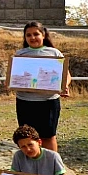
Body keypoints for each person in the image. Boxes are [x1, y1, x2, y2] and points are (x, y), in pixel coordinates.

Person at [14, 22, 71, 152]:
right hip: (24, 102)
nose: (32, 37)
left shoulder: (54, 53)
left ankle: (51, 164)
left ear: (43, 35)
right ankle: (31, 164)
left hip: (48, 102)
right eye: (28, 35)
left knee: (48, 137)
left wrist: (65, 86)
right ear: (25, 37)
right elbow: (14, 77)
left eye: (36, 34)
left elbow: (66, 75)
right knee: (27, 138)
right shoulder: (20, 54)